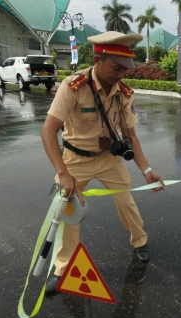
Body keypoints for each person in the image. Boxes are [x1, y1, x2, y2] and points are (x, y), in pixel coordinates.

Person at [40, 31, 165, 294]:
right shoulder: (73, 86)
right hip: (74, 160)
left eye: (126, 69)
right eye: (116, 67)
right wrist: (63, 174)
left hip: (110, 159)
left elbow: (130, 136)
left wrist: (147, 170)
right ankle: (62, 266)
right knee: (70, 215)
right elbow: (48, 131)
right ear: (98, 59)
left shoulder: (124, 93)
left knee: (126, 202)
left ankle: (140, 240)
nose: (121, 74)